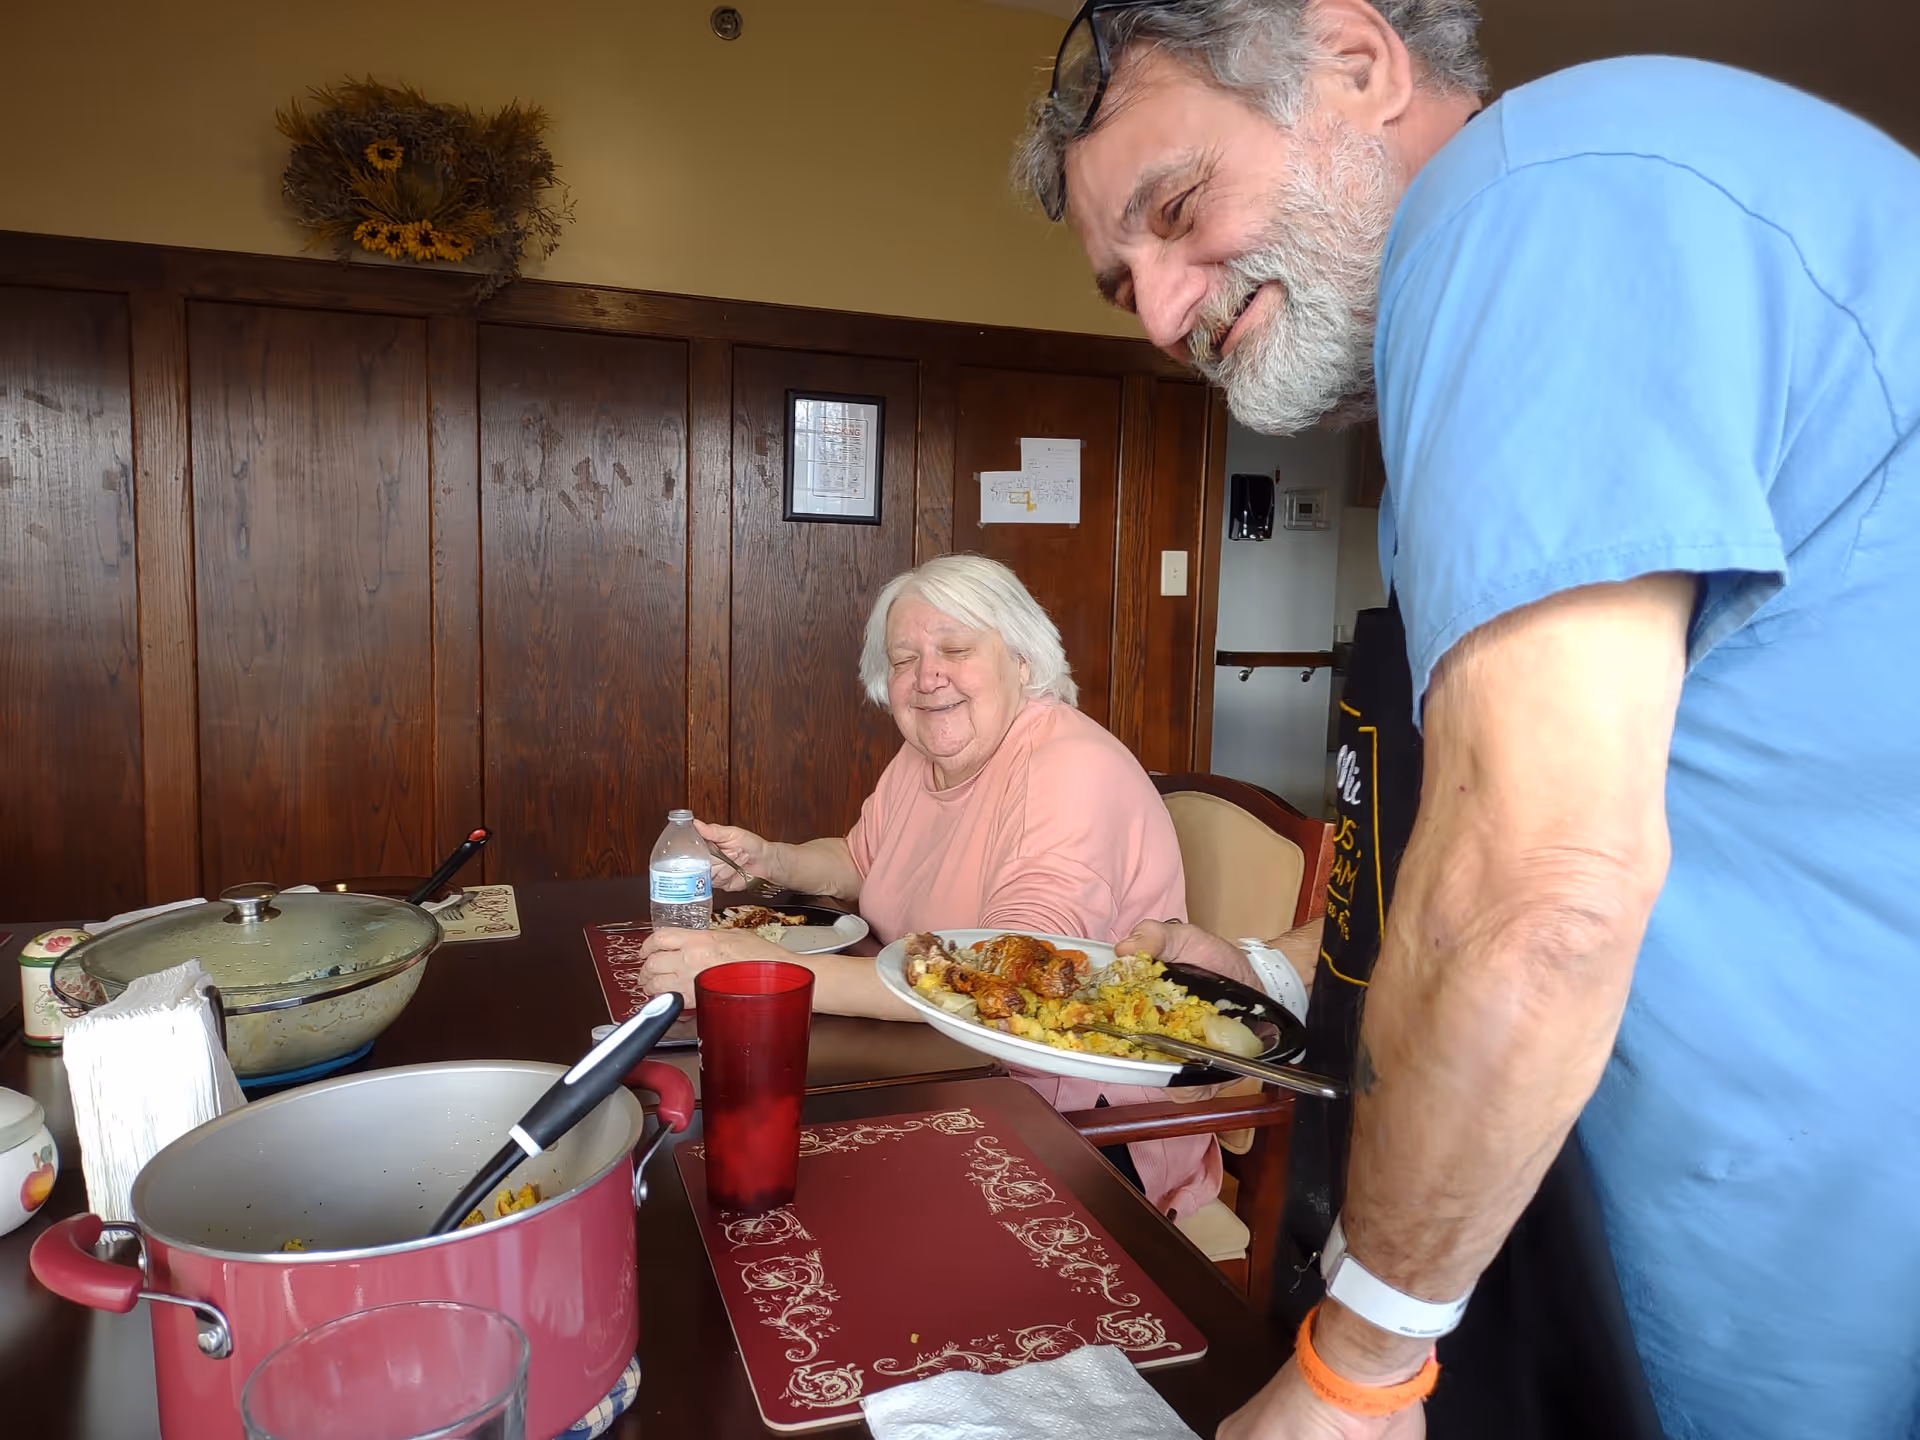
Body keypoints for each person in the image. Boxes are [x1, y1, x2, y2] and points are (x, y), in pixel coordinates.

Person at [1016, 4, 1920, 1440]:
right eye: (1128, 288)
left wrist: (1352, 1374)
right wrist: (1253, 959)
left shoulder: (1525, 206)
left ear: (1358, 62)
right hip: (1603, 1263)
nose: (1171, 313)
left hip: (1776, 1319)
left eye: (1180, 210)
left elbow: (1538, 891)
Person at [638, 553, 1261, 1219]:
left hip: (1078, 1121)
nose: (927, 677)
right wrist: (772, 860)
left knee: (831, 1209)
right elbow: (860, 860)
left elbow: (1003, 977)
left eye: (956, 649)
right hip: (943, 1066)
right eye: (904, 659)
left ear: (1022, 661)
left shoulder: (1071, 769)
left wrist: (765, 969)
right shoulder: (923, 756)